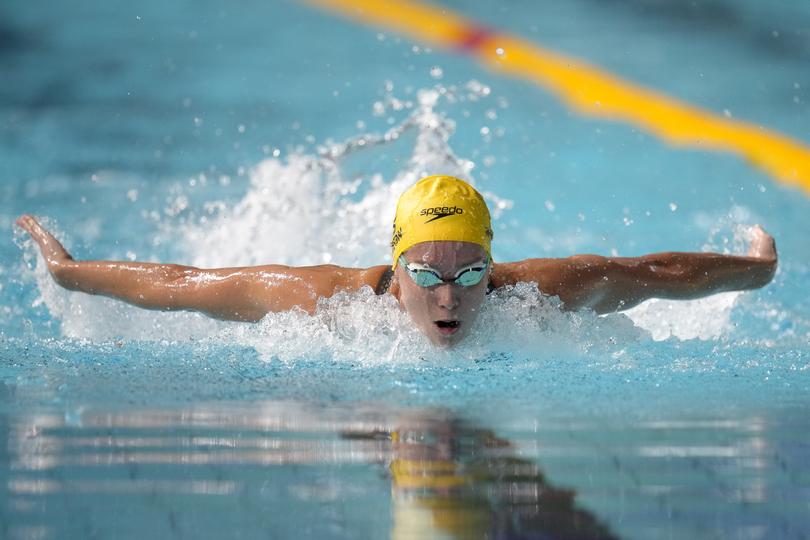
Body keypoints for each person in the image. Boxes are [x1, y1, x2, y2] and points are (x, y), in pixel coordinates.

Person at [16, 175, 777, 347]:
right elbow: (182, 287)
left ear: (492, 264)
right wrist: (68, 272)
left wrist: (756, 269)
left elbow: (655, 274)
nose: (450, 295)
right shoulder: (322, 303)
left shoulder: (537, 294)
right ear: (397, 265)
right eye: (428, 274)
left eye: (470, 272)